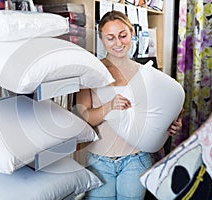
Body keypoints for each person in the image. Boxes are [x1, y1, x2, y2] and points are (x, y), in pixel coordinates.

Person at [76, 10, 183, 200]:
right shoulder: (91, 73)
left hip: (136, 160)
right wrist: (109, 106)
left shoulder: (148, 75)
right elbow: (83, 118)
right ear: (102, 40)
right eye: (110, 38)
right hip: (99, 161)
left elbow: (155, 115)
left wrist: (170, 126)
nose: (118, 43)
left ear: (131, 33)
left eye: (123, 35)